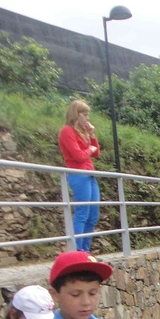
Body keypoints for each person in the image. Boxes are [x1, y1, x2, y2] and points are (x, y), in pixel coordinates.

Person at [58, 100, 102, 253]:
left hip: (89, 174)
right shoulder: (67, 131)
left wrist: (91, 135)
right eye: (85, 114)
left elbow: (96, 153)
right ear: (76, 114)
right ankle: (77, 251)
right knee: (82, 213)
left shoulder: (82, 132)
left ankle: (85, 251)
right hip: (78, 174)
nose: (87, 118)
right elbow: (78, 156)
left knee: (93, 215)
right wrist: (89, 148)